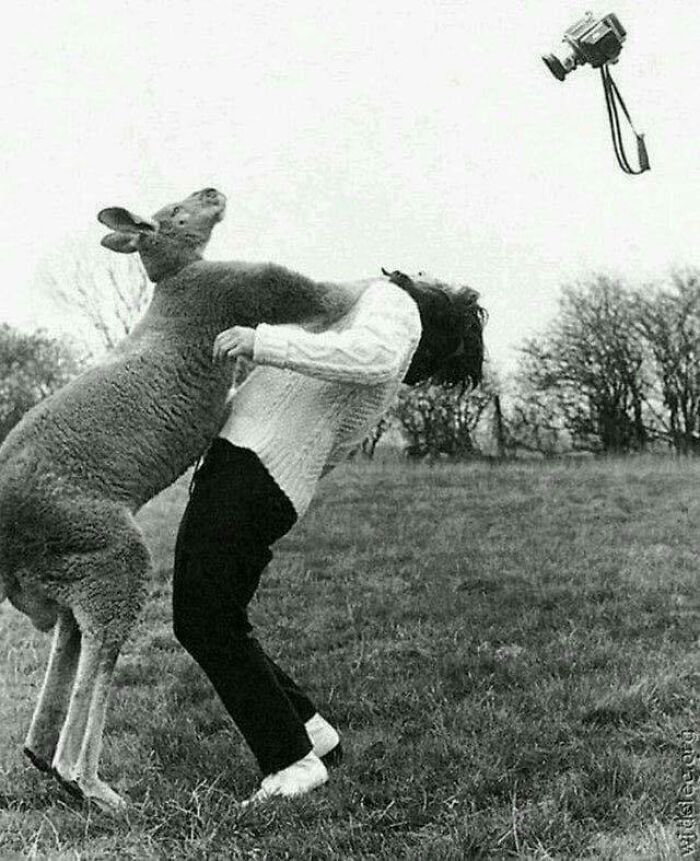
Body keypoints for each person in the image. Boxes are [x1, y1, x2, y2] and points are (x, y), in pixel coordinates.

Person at [172, 269, 485, 805]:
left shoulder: (392, 305)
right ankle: (312, 733)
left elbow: (374, 355)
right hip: (262, 477)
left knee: (203, 619)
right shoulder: (381, 311)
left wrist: (261, 341)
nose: (425, 374)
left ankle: (291, 763)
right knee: (215, 616)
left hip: (253, 470)